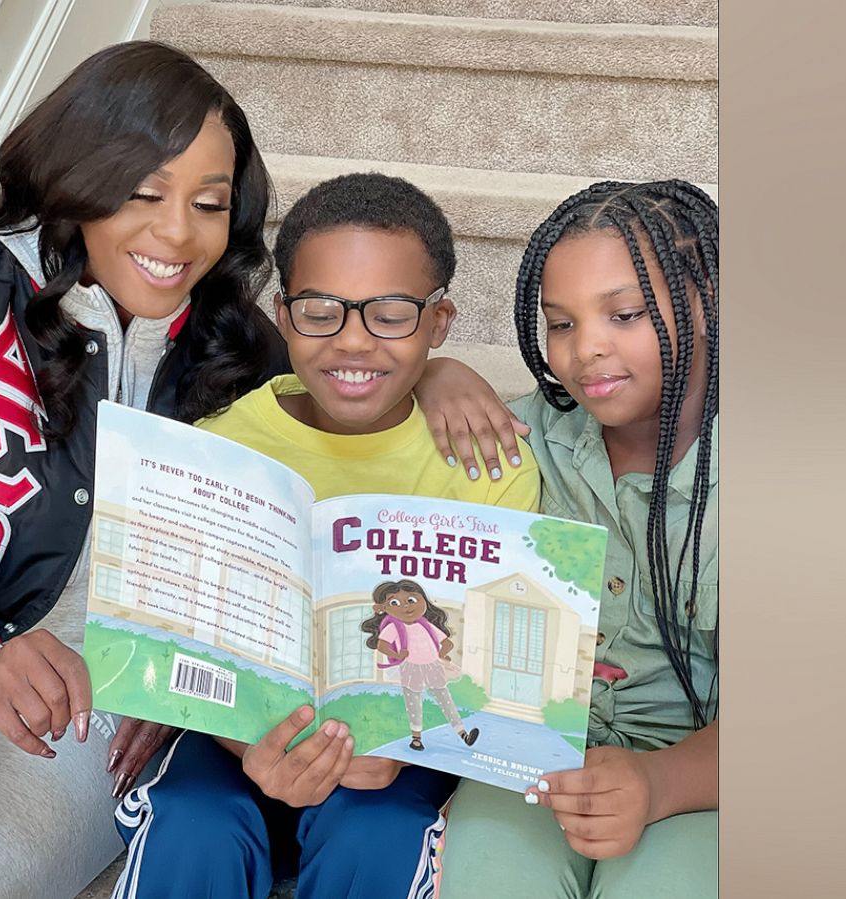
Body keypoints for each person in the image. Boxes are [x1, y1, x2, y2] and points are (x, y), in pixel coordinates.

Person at [107, 173, 539, 899]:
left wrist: (403, 747)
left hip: (399, 759)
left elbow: (494, 666)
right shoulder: (216, 447)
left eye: (392, 313)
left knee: (383, 833)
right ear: (282, 314)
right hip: (230, 744)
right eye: (320, 310)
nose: (354, 341)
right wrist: (249, 745)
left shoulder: (486, 461)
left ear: (440, 324)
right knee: (191, 819)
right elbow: (174, 644)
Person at [0, 41, 292, 899]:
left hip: (98, 711)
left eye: (208, 203)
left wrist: (440, 373)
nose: (178, 233)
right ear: (80, 177)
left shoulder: (241, 349)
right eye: (144, 192)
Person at [424, 180, 720, 898]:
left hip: (701, 768)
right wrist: (433, 374)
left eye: (625, 313)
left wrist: (656, 781)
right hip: (532, 753)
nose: (588, 347)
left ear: (709, 299)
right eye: (560, 323)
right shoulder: (522, 438)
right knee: (488, 877)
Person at [361, 579, 479, 751]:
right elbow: (382, 645)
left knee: (445, 699)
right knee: (413, 701)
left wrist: (442, 653)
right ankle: (416, 739)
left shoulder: (425, 624)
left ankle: (462, 733)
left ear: (423, 600)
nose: (405, 607)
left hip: (432, 665)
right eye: (394, 603)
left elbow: (446, 643)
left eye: (411, 600)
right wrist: (397, 654)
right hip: (411, 667)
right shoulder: (394, 626)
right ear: (384, 608)